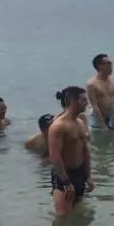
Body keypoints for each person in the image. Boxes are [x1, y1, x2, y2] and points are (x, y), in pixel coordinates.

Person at [48, 88, 93, 216]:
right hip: (64, 174)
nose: (87, 103)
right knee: (63, 216)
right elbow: (54, 156)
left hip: (80, 173)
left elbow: (85, 151)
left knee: (77, 212)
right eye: (83, 100)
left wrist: (88, 176)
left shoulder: (80, 123)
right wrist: (67, 182)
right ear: (73, 101)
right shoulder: (59, 126)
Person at [87, 54, 114, 130]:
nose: (111, 65)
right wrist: (103, 125)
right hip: (97, 116)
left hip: (111, 114)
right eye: (108, 63)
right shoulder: (92, 84)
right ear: (100, 66)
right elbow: (94, 106)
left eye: (111, 63)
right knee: (99, 136)